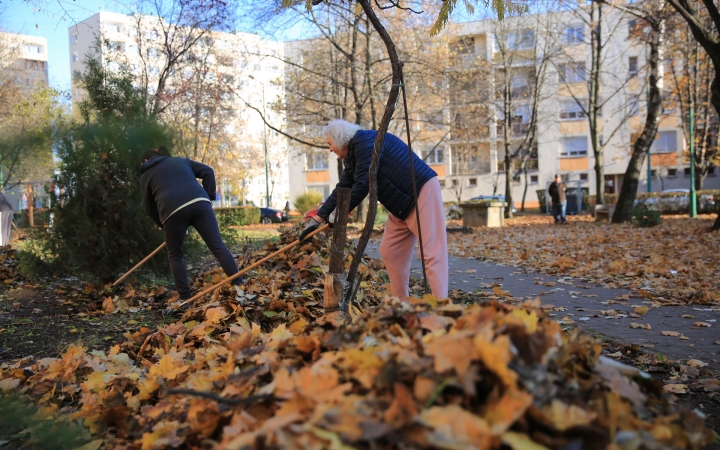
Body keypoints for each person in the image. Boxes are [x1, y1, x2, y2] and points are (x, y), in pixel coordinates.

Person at [300, 119, 449, 300]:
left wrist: (337, 215)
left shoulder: (366, 144)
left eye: (330, 144)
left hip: (420, 191)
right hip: (400, 204)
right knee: (391, 250)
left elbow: (362, 185)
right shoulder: (355, 153)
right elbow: (343, 187)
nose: (330, 149)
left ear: (340, 140)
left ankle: (442, 306)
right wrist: (317, 219)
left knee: (431, 252)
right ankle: (401, 303)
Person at [140, 146, 243, 301]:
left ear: (145, 160)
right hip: (200, 203)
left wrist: (164, 225)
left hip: (172, 212)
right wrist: (208, 197)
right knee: (217, 245)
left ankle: (185, 298)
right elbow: (208, 172)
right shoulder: (181, 161)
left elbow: (149, 209)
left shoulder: (146, 174)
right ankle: (240, 285)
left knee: (175, 255)